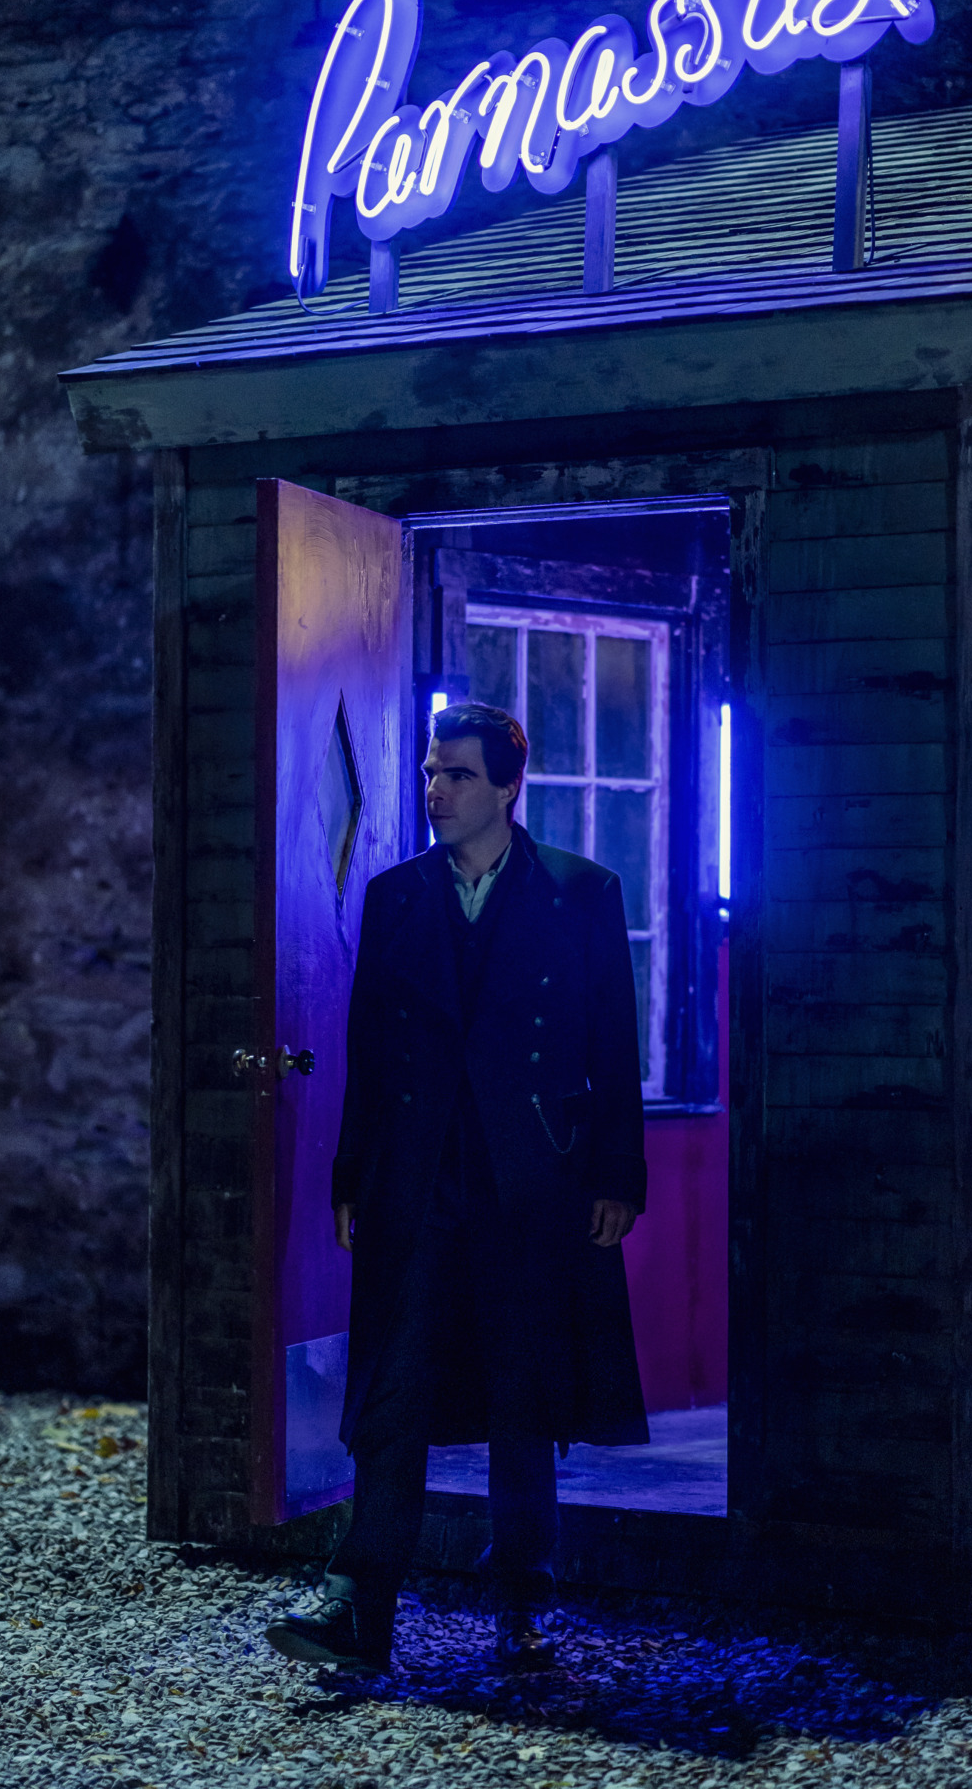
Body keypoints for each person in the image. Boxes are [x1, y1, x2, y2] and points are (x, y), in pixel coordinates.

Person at [266, 702, 648, 1674]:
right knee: (393, 1389)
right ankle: (361, 1605)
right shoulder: (396, 897)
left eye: (459, 776)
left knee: (524, 1393)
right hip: (420, 1178)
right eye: (432, 773)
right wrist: (352, 1176)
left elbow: (613, 1045)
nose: (435, 791)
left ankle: (522, 1596)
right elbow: (365, 1049)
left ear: (509, 786)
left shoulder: (580, 892)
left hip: (533, 1178)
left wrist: (616, 1175)